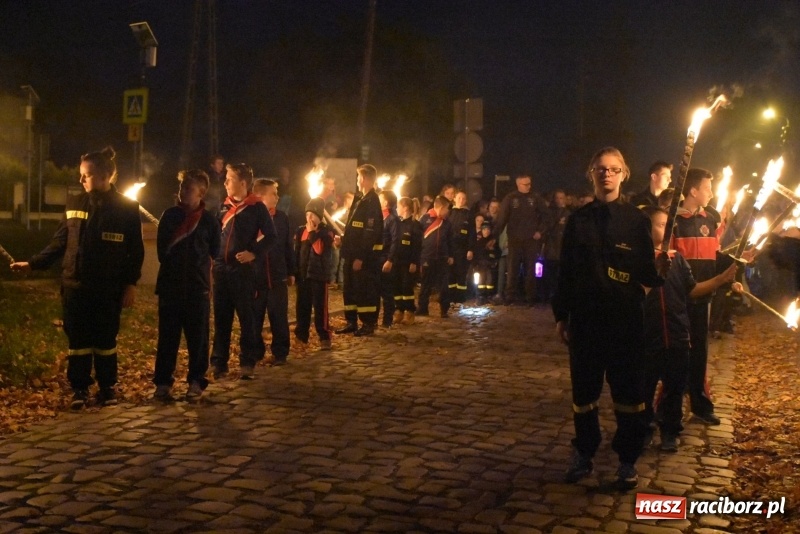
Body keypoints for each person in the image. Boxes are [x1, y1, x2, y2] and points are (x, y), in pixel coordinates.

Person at [553, 147, 668, 490]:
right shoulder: (578, 221)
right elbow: (566, 273)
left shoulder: (636, 221)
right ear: (592, 173)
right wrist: (561, 315)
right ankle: (584, 452)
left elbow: (647, 273)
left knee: (629, 397)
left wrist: (660, 271)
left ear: (623, 174)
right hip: (585, 323)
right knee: (584, 395)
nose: (607, 174)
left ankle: (627, 460)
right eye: (601, 169)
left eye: (613, 169)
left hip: (625, 324)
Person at [11, 147, 144, 409]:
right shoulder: (75, 203)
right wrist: (33, 264)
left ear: (107, 176)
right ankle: (79, 389)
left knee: (105, 340)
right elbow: (60, 242)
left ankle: (107, 387)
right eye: (81, 175)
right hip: (75, 285)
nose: (82, 180)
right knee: (78, 341)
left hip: (108, 288)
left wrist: (131, 284)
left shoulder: (126, 209)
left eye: (88, 175)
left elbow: (135, 251)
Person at [641, 206, 737, 451]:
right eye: (660, 224)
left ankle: (670, 430)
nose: (666, 229)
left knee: (674, 388)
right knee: (643, 388)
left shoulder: (678, 259)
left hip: (677, 334)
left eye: (668, 224)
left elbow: (692, 289)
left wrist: (720, 280)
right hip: (647, 337)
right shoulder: (637, 260)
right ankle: (642, 428)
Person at [153, 169, 221, 402]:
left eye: (188, 188)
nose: (182, 192)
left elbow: (215, 251)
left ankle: (196, 381)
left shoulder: (209, 221)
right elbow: (162, 251)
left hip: (197, 287)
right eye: (182, 187)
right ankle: (163, 383)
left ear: (201, 193)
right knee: (167, 338)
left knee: (198, 338)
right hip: (170, 286)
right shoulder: (169, 216)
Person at [671, 167, 731, 425]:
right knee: (677, 353)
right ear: (693, 191)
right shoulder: (674, 221)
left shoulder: (711, 218)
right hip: (679, 298)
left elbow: (716, 253)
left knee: (700, 353)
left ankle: (700, 404)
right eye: (707, 187)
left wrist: (732, 270)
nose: (712, 192)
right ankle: (669, 409)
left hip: (703, 296)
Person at [210, 163, 277, 380]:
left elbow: (271, 236)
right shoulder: (222, 207)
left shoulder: (257, 208)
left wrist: (253, 253)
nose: (225, 183)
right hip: (221, 270)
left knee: (246, 318)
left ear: (242, 182)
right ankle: (219, 363)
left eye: (229, 179)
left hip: (243, 272)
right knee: (221, 318)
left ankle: (247, 362)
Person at [336, 164, 384, 337]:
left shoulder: (372, 201)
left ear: (364, 179)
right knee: (350, 289)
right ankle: (351, 321)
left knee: (365, 290)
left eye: (358, 177)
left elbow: (370, 232)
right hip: (351, 254)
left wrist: (361, 257)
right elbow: (354, 229)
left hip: (364, 258)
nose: (357, 181)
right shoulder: (360, 200)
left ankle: (368, 322)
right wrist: (342, 240)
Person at [252, 178, 295, 367]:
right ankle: (255, 352)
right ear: (260, 195)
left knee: (279, 316)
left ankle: (280, 352)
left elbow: (287, 246)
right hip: (256, 276)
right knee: (254, 317)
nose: (277, 197)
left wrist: (291, 270)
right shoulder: (250, 217)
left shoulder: (281, 218)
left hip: (277, 275)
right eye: (273, 193)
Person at [492, 174, 551, 306]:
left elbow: (546, 217)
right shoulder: (510, 198)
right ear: (518, 184)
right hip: (515, 238)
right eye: (525, 184)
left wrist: (540, 231)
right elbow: (502, 219)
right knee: (512, 268)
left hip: (531, 239)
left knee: (530, 269)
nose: (528, 186)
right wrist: (494, 236)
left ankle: (530, 297)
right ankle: (510, 296)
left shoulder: (535, 198)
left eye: (529, 184)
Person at [293, 198, 334, 349]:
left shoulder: (326, 232)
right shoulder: (300, 231)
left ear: (319, 216)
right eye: (307, 214)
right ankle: (301, 335)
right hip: (303, 276)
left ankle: (324, 336)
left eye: (312, 215)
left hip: (319, 276)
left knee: (320, 307)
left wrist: (311, 234)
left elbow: (319, 250)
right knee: (302, 307)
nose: (309, 218)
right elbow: (297, 252)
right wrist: (295, 272)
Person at [418, 196, 454, 317]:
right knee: (425, 284)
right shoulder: (424, 219)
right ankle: (422, 308)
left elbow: (450, 241)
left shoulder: (447, 223)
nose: (448, 211)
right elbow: (418, 238)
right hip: (427, 257)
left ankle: (444, 309)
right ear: (441, 207)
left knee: (444, 285)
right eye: (447, 208)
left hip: (442, 258)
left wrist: (450, 255)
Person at [392, 197, 422, 325]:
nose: (397, 209)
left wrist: (414, 262)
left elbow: (417, 245)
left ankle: (409, 311)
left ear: (405, 208)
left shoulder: (415, 225)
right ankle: (399, 310)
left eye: (399, 206)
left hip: (408, 262)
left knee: (407, 287)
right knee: (397, 286)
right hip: (397, 261)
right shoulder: (398, 223)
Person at [541, 189, 570, 303]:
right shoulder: (549, 212)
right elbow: (546, 227)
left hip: (562, 248)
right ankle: (547, 295)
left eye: (561, 198)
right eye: (557, 198)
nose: (559, 200)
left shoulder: (567, 213)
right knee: (548, 273)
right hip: (551, 247)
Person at [448, 190, 476, 306]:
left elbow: (472, 234)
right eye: (459, 198)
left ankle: (460, 297)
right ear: (455, 199)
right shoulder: (450, 213)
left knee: (461, 273)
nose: (461, 201)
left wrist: (470, 249)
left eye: (463, 199)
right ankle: (450, 296)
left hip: (463, 249)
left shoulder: (469, 215)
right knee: (450, 273)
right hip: (450, 248)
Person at [378, 190, 400, 327]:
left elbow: (395, 240)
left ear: (386, 202)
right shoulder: (380, 217)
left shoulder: (392, 219)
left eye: (380, 198)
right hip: (378, 258)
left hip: (386, 258)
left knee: (387, 291)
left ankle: (388, 320)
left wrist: (390, 260)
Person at [471, 221, 498, 304]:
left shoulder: (493, 242)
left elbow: (497, 253)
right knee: (481, 281)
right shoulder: (478, 243)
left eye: (488, 229)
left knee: (490, 281)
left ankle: (489, 296)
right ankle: (480, 296)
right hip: (480, 267)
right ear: (481, 231)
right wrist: (475, 265)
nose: (486, 231)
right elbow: (475, 255)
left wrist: (493, 256)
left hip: (490, 266)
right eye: (484, 229)